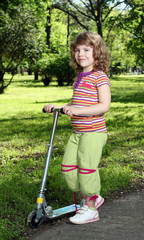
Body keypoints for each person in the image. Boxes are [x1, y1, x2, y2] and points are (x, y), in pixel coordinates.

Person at [44, 32, 111, 225]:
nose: (80, 54)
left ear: (97, 53)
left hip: (94, 133)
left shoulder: (100, 77)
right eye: (77, 50)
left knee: (87, 170)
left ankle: (91, 207)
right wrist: (58, 107)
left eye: (86, 50)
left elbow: (103, 106)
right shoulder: (81, 76)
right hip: (78, 132)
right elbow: (76, 102)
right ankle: (91, 197)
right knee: (68, 168)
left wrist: (78, 110)